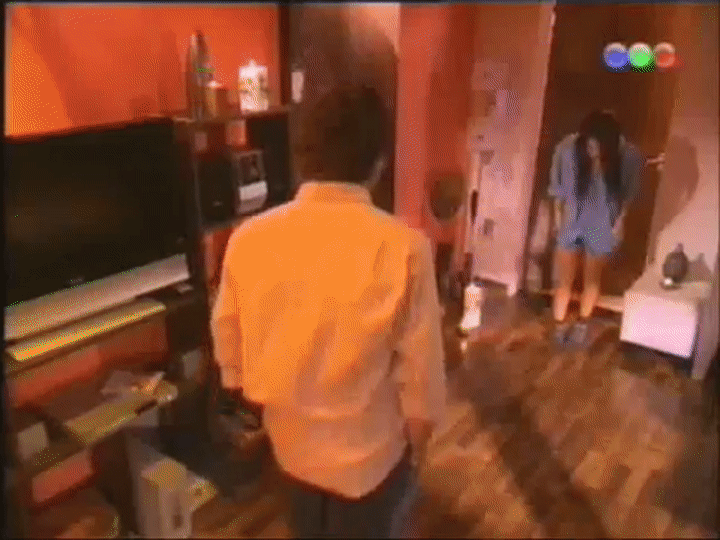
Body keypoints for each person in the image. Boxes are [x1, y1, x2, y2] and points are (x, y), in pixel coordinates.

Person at [210, 83, 447, 538]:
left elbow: (229, 349)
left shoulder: (247, 239)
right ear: (378, 162)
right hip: (369, 461)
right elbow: (423, 382)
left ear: (304, 155)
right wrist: (416, 450)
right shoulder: (405, 249)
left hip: (290, 449)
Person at [548, 110, 644, 346]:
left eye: (598, 147)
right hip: (571, 218)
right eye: (589, 145)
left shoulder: (628, 156)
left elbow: (628, 196)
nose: (592, 151)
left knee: (592, 279)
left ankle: (582, 324)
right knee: (563, 279)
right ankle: (559, 327)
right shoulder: (567, 148)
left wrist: (620, 222)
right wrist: (557, 219)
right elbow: (557, 190)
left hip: (603, 221)